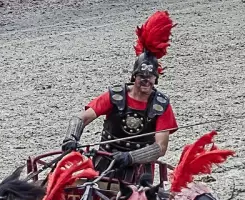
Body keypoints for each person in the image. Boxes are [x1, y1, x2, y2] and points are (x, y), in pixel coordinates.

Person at [62, 11, 178, 183]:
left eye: (150, 77)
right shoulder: (116, 95)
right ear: (134, 76)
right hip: (104, 163)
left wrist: (129, 157)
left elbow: (160, 147)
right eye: (141, 77)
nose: (145, 81)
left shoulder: (161, 105)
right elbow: (82, 117)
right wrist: (71, 138)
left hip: (139, 171)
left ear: (156, 78)